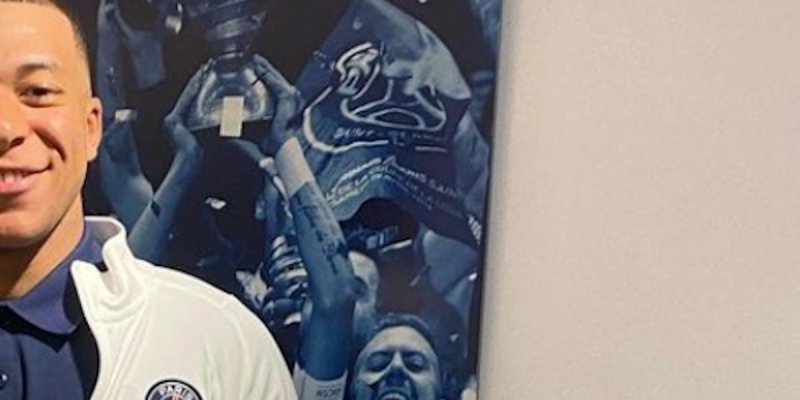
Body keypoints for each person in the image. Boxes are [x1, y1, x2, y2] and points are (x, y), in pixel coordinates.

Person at [0, 1, 297, 399]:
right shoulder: (155, 215)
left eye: (38, 92)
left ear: (90, 129)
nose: (5, 128)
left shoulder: (221, 341)